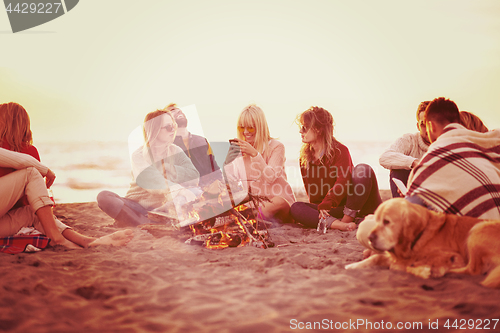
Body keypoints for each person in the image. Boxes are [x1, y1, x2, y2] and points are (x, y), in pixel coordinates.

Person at [357, 97, 500, 254]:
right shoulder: (489, 152)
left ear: (431, 125)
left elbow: (412, 217)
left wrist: (413, 195)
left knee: (366, 228)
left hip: (465, 242)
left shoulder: (435, 159)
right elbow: (385, 157)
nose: (425, 128)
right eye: (421, 124)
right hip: (493, 232)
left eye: (427, 123)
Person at [0, 102, 133, 249]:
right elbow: (28, 199)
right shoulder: (28, 151)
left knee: (34, 213)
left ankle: (85, 241)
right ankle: (61, 239)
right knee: (33, 188)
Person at [97, 109, 200, 226]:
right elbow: (151, 183)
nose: (173, 130)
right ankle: (146, 222)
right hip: (137, 206)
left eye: (174, 126)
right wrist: (178, 189)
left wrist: (172, 169)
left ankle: (139, 221)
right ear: (154, 130)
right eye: (168, 127)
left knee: (196, 191)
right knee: (104, 197)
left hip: (165, 207)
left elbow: (194, 177)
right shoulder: (139, 155)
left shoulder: (176, 151)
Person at [290, 106, 382, 232]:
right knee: (296, 207)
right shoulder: (305, 158)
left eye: (305, 127)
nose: (301, 131)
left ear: (318, 130)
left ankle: (347, 220)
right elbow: (314, 197)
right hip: (334, 210)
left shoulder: (340, 150)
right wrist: (320, 209)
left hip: (356, 205)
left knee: (363, 170)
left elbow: (343, 180)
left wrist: (328, 202)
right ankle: (340, 225)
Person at [223, 104, 295, 222]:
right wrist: (227, 164)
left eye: (250, 127)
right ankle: (250, 219)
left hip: (279, 206)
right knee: (222, 200)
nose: (246, 132)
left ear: (260, 127)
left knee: (277, 202)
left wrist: (255, 154)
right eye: (242, 128)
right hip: (255, 205)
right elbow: (232, 187)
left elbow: (270, 177)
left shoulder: (276, 147)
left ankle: (247, 219)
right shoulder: (240, 151)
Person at [164, 103, 223, 189]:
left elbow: (215, 169)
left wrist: (221, 185)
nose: (178, 111)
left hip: (212, 192)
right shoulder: (168, 148)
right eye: (172, 111)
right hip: (188, 196)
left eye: (179, 110)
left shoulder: (203, 141)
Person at [379, 101, 431, 198]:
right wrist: (415, 163)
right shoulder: (410, 140)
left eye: (430, 123)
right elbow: (384, 158)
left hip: (433, 193)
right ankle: (400, 208)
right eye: (423, 124)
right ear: (418, 126)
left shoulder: (444, 144)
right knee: (398, 168)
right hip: (408, 193)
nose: (427, 128)